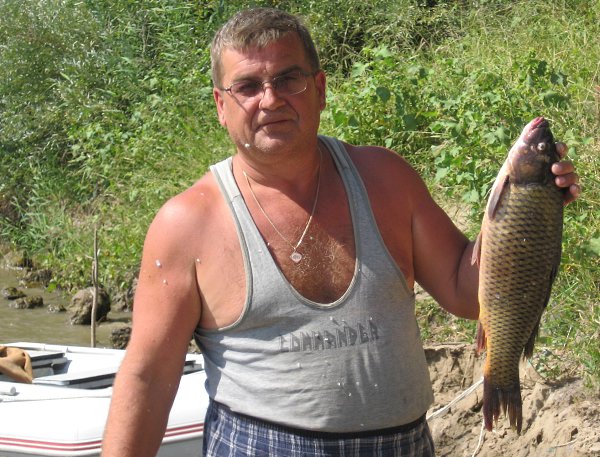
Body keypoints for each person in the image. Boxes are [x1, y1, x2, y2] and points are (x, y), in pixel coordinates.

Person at [101, 7, 580, 457]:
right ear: (221, 105)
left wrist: (530, 210)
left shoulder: (386, 180)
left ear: (320, 89)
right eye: (247, 86)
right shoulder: (186, 224)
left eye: (288, 78)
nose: (270, 99)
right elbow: (148, 378)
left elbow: (465, 292)